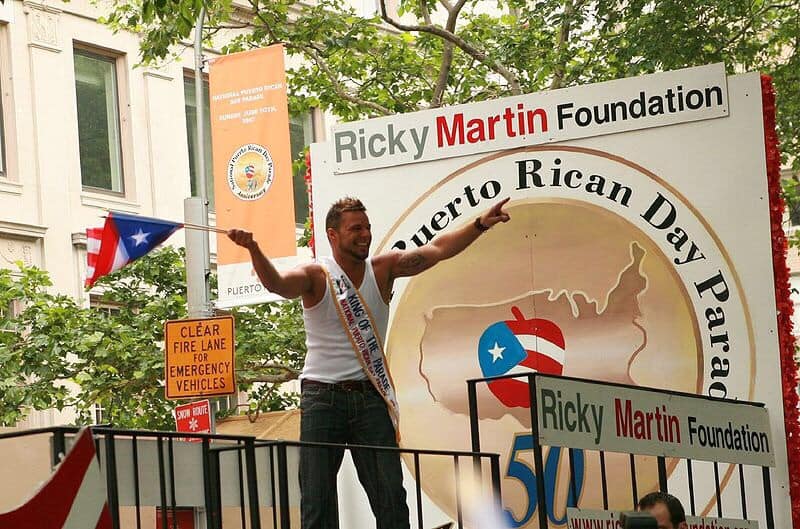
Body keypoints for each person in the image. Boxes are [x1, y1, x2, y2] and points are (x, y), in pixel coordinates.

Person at [228, 196, 511, 529]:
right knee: (317, 500)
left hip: (369, 399)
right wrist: (254, 250)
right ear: (333, 235)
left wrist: (480, 224)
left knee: (390, 497)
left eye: (367, 228)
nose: (364, 235)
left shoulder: (384, 268)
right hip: (322, 398)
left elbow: (438, 250)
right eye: (355, 229)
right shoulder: (316, 276)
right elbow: (278, 284)